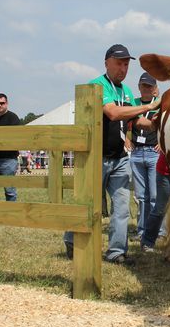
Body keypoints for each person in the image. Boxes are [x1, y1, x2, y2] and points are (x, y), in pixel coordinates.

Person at [63, 44, 158, 265]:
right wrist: (147, 107)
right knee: (87, 205)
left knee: (122, 207)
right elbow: (114, 113)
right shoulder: (98, 85)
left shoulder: (125, 90)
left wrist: (157, 124)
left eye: (126, 64)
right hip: (95, 157)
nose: (123, 68)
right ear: (107, 63)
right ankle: (70, 238)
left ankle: (116, 252)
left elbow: (134, 121)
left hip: (120, 158)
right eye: (119, 63)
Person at [129, 72, 160, 240]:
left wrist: (162, 144)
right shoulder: (133, 103)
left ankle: (158, 232)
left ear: (154, 88)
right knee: (141, 196)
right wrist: (127, 139)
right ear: (139, 87)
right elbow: (124, 122)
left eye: (149, 85)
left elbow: (165, 126)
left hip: (153, 153)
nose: (146, 88)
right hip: (136, 153)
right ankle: (142, 231)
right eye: (143, 85)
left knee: (155, 196)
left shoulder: (159, 105)